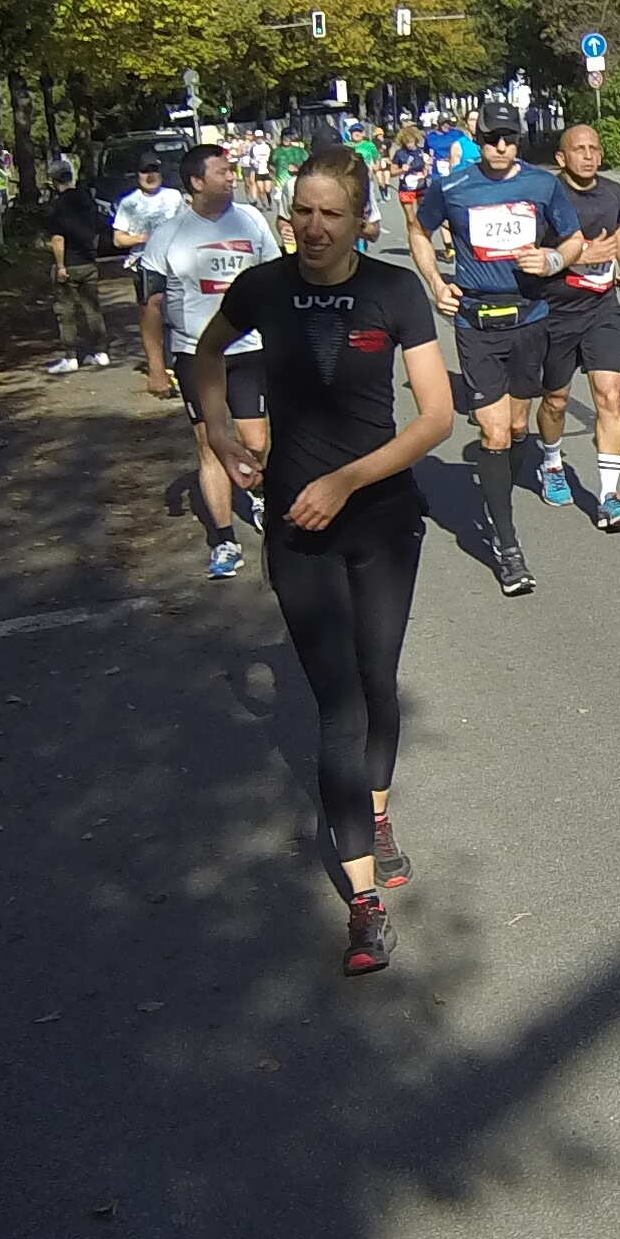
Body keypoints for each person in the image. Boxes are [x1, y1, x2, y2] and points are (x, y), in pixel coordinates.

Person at [192, 144, 455, 976]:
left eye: (329, 214)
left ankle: (374, 813)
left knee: (379, 681)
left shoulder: (393, 291)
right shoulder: (263, 287)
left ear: (359, 221)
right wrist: (221, 433)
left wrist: (346, 481)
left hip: (380, 518)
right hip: (299, 527)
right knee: (339, 706)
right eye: (301, 212)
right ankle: (364, 905)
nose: (313, 227)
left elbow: (436, 418)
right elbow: (206, 355)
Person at [406, 101, 597, 597]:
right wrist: (436, 283)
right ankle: (507, 547)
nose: (501, 146)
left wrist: (554, 259)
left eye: (510, 138)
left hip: (529, 318)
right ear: (479, 139)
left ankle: (498, 496)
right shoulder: (453, 186)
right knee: (492, 431)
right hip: (476, 321)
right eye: (492, 138)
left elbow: (573, 239)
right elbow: (418, 229)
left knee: (515, 428)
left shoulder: (541, 185)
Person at [136, 143, 282, 579]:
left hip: (249, 349)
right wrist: (156, 367)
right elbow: (150, 305)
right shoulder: (168, 235)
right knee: (210, 446)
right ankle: (223, 540)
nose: (231, 176)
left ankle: (257, 494)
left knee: (256, 441)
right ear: (197, 182)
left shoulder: (251, 220)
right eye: (222, 171)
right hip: (196, 355)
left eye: (231, 170)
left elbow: (275, 281)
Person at [532, 121, 620, 532]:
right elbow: (532, 253)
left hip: (601, 309)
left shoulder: (612, 192)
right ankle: (551, 462)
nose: (589, 155)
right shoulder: (546, 197)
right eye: (580, 149)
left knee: (609, 395)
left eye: (594, 148)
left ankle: (609, 496)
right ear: (562, 158)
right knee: (556, 400)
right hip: (556, 312)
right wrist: (578, 256)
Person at [42, 159, 114, 376]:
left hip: (70, 264)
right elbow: (100, 227)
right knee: (93, 309)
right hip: (89, 262)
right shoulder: (87, 200)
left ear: (54, 181)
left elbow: (58, 238)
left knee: (66, 312)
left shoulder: (58, 206)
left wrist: (60, 265)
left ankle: (71, 356)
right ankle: (101, 352)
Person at [111, 156, 184, 311]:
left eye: (154, 170)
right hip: (144, 266)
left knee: (177, 309)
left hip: (174, 264)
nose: (150, 176)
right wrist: (144, 238)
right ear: (137, 175)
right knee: (151, 310)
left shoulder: (174, 196)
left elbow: (186, 228)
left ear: (161, 173)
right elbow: (118, 240)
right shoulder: (128, 202)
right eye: (145, 171)